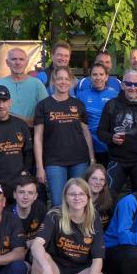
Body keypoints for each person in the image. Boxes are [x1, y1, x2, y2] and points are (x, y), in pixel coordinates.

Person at [30, 178, 109, 274]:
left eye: (81, 194)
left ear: (88, 197)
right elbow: (36, 245)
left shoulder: (94, 218)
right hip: (56, 268)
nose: (77, 198)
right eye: (72, 194)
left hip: (79, 270)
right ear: (65, 197)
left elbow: (98, 259)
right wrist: (46, 267)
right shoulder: (55, 214)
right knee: (39, 260)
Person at [33, 67, 96, 207]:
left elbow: (86, 133)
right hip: (54, 161)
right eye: (59, 78)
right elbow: (38, 137)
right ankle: (59, 223)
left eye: (67, 79)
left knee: (78, 201)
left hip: (79, 161)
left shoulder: (78, 104)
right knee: (58, 203)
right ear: (53, 81)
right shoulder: (43, 105)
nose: (63, 82)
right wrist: (39, 167)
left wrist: (92, 159)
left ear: (71, 82)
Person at [97, 69, 137, 196]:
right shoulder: (111, 105)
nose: (133, 88)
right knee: (108, 197)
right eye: (129, 84)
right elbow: (101, 132)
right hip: (117, 160)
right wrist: (111, 138)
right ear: (122, 85)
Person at [0, 85, 33, 201]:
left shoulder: (20, 125)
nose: (1, 105)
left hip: (18, 186)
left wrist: (25, 171)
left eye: (4, 101)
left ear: (10, 102)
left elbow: (28, 152)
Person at [0, 47, 48, 128]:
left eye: (21, 59)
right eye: (14, 59)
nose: (18, 62)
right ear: (7, 62)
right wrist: (28, 121)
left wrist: (11, 117)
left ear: (26, 63)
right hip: (4, 130)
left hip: (30, 132)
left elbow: (46, 112)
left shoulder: (37, 84)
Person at [77, 62, 119, 166]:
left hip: (109, 147)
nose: (98, 77)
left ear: (106, 77)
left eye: (101, 74)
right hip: (87, 147)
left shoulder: (115, 95)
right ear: (90, 77)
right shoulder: (81, 96)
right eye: (94, 74)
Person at [8, 175, 46, 250]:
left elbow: (46, 235)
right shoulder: (7, 216)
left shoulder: (40, 208)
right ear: (14, 194)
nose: (25, 197)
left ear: (35, 196)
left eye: (30, 193)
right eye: (21, 192)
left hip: (36, 250)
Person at [84, 164, 114, 231]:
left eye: (102, 179)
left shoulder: (108, 202)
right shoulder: (78, 200)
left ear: (105, 183)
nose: (98, 182)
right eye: (94, 178)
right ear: (87, 179)